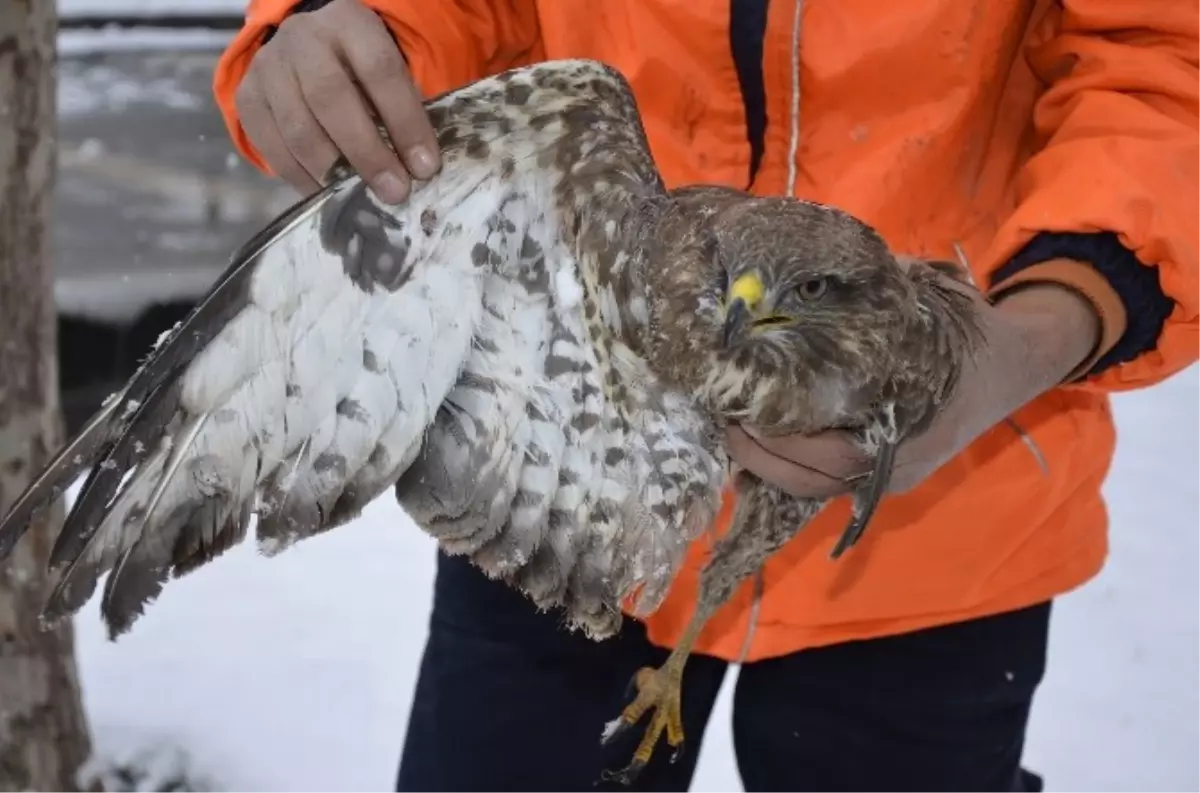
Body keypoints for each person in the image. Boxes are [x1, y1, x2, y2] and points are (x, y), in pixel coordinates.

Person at [213, 1, 1200, 791]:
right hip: (568, 465)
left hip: (942, 515)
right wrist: (350, 38)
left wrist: (1036, 332)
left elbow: (1165, 60)